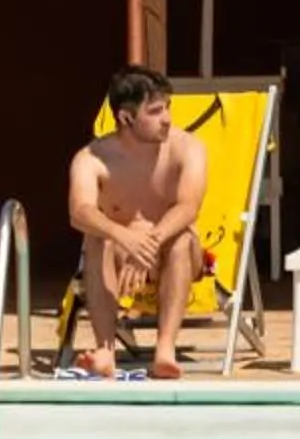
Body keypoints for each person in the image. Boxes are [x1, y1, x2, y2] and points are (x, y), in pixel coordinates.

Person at [68, 65, 207, 380]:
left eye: (168, 108)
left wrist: (148, 242)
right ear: (126, 118)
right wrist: (125, 238)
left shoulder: (188, 148)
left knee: (182, 238)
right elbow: (79, 211)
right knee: (95, 237)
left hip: (175, 252)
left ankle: (165, 350)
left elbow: (188, 207)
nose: (168, 119)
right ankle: (105, 350)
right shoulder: (92, 158)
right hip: (119, 255)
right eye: (156, 111)